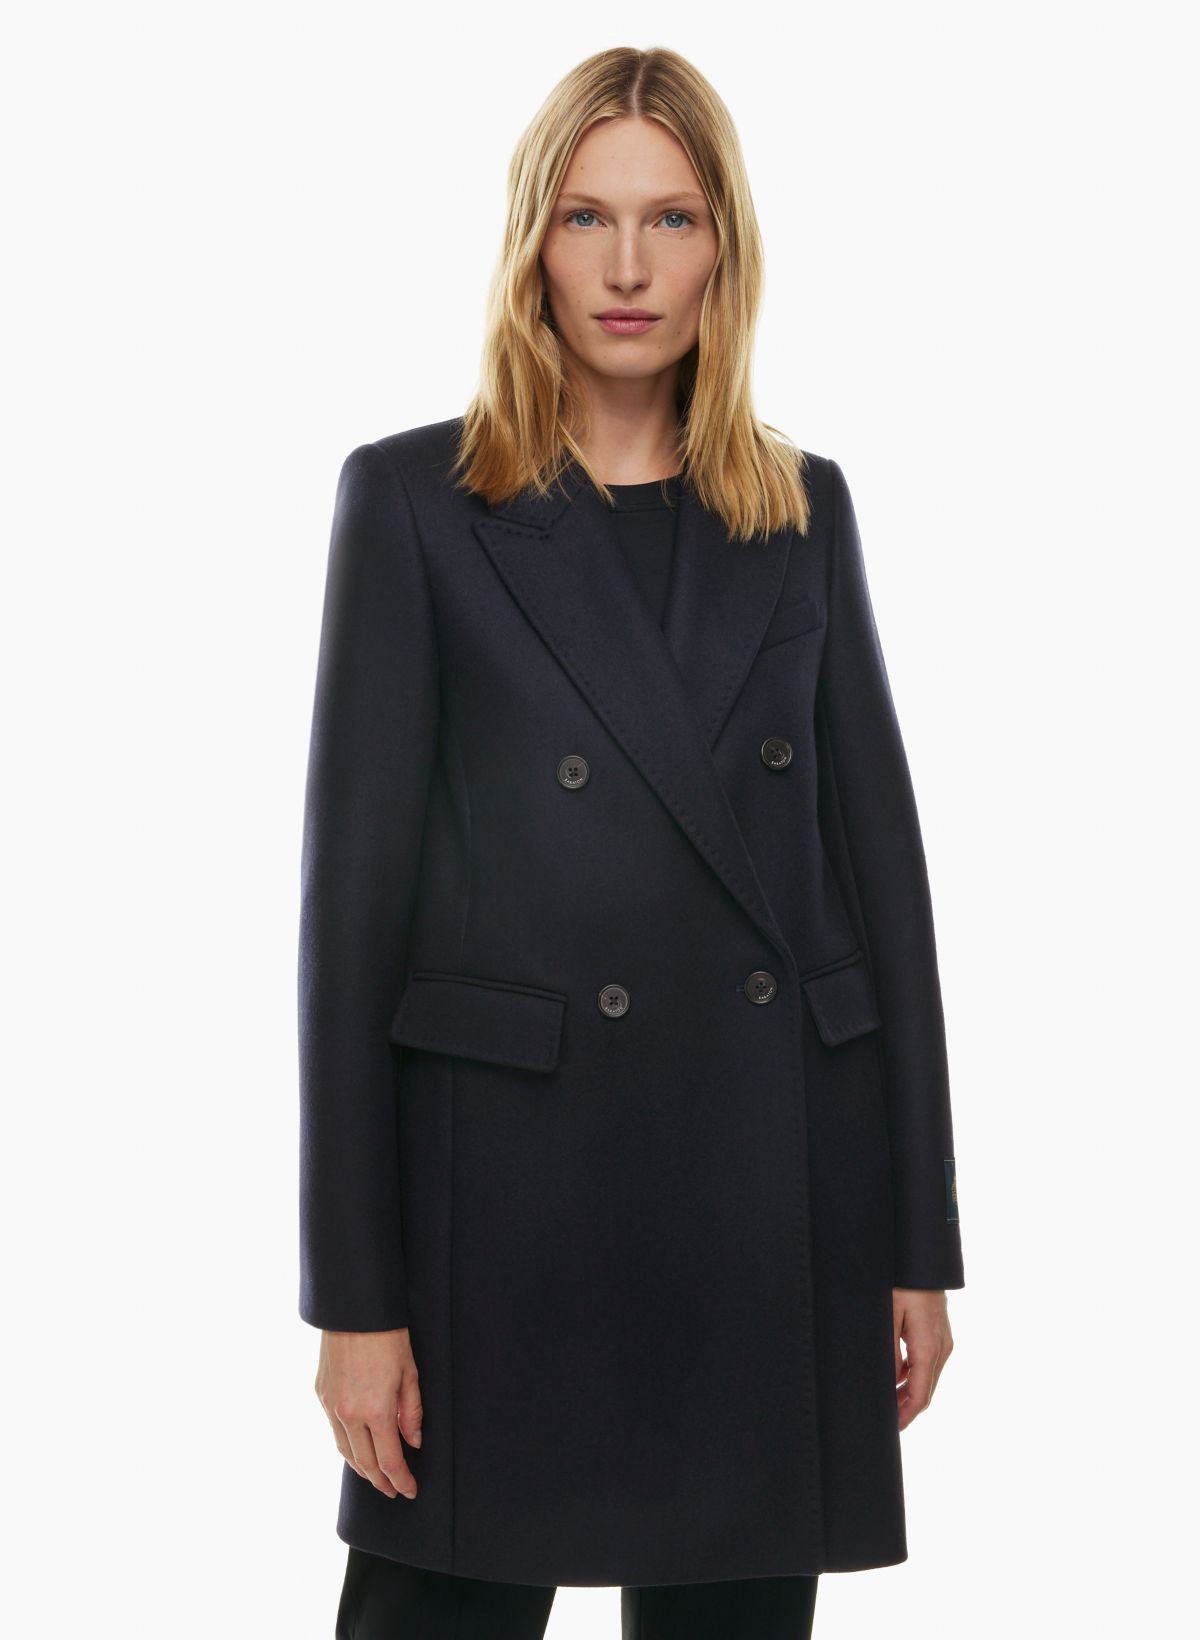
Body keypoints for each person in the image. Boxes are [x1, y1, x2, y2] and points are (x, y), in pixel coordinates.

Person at [298, 44, 964, 1640]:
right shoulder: (416, 503)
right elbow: (348, 929)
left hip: (765, 1192)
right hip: (502, 1211)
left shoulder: (800, 508)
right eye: (588, 217)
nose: (625, 266)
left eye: (671, 219)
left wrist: (917, 1242)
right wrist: (354, 1300)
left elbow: (883, 887)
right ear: (533, 238)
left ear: (724, 245)